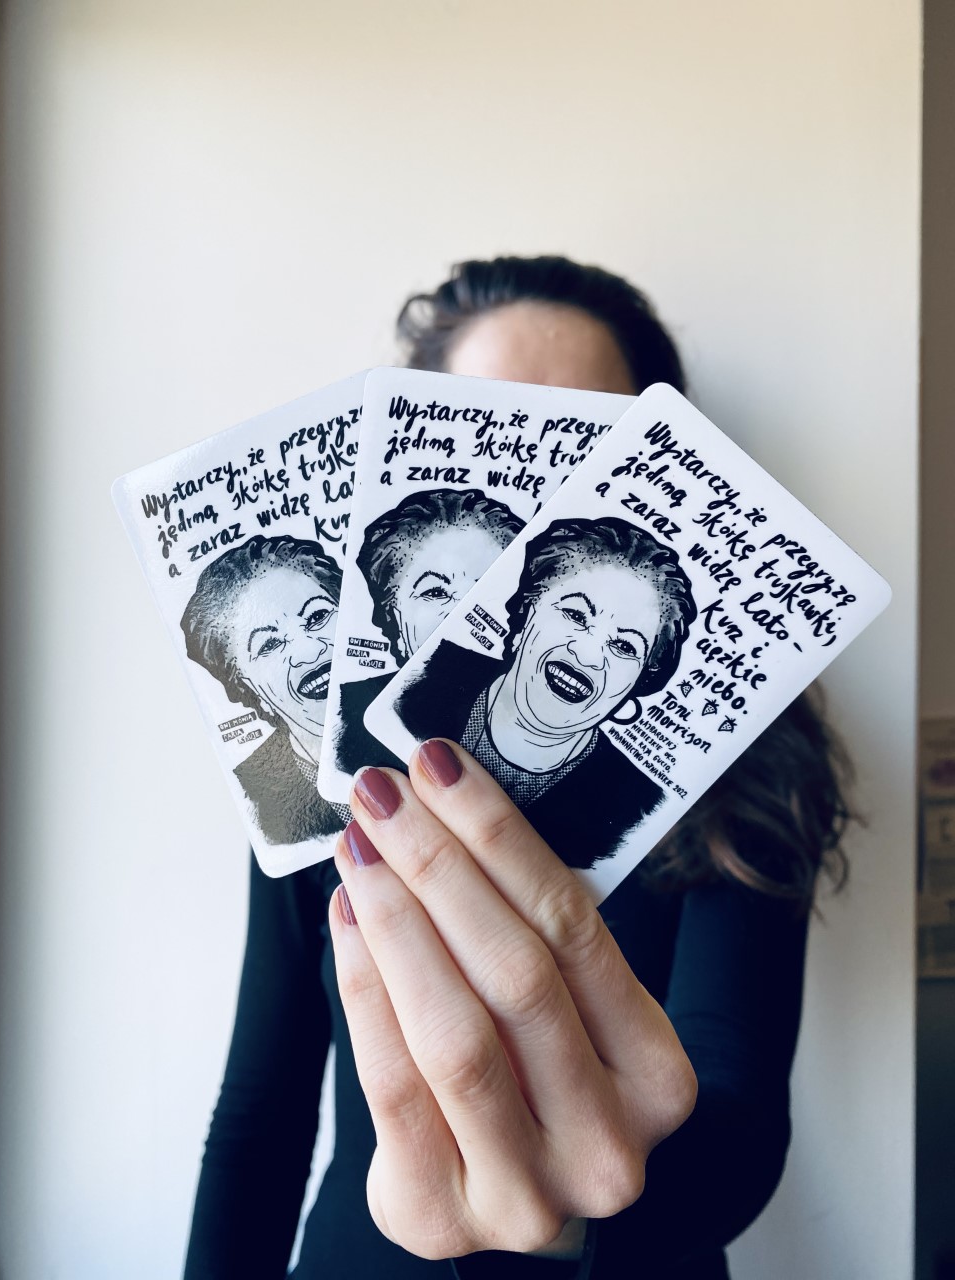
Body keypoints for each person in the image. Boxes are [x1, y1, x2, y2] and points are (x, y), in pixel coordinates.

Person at [184, 256, 851, 1280]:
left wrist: (576, 1220)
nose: (542, 503)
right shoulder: (331, 764)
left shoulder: (745, 756)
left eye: (586, 447)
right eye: (503, 435)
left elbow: (743, 1118)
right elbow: (258, 1115)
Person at [393, 516, 696, 867]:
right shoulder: (415, 685)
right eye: (576, 615)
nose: (588, 656)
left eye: (625, 647)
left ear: (637, 683)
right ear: (525, 616)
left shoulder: (633, 808)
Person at [334, 488, 525, 776]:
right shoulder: (347, 719)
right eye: (435, 592)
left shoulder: (546, 725)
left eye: (487, 591)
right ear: (392, 615)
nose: (462, 614)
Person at [181, 534, 347, 846]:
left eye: (317, 616)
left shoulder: (435, 709)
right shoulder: (265, 809)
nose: (310, 651)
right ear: (248, 688)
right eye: (269, 644)